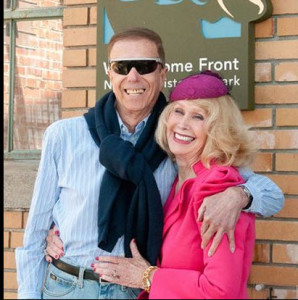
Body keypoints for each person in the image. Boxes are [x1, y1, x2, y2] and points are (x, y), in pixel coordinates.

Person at [15, 27, 284, 299]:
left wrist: (238, 195)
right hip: (68, 286)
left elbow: (271, 195)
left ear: (162, 73)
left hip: (140, 290)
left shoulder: (180, 141)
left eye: (145, 66)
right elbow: (36, 230)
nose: (133, 76)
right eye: (122, 66)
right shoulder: (64, 136)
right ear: (110, 73)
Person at [91, 70, 258, 299]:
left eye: (198, 117)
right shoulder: (179, 180)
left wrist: (148, 277)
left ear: (218, 129)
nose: (182, 124)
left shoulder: (217, 187)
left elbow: (220, 291)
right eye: (178, 112)